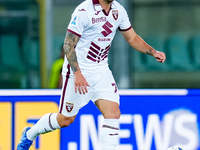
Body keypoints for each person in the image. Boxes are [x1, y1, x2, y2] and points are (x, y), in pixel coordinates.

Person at [17, 0, 166, 149]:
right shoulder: (84, 11)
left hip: (101, 70)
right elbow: (68, 44)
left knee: (113, 113)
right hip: (78, 71)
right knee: (65, 120)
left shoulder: (118, 11)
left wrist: (153, 52)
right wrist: (78, 73)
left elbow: (132, 37)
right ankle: (30, 134)